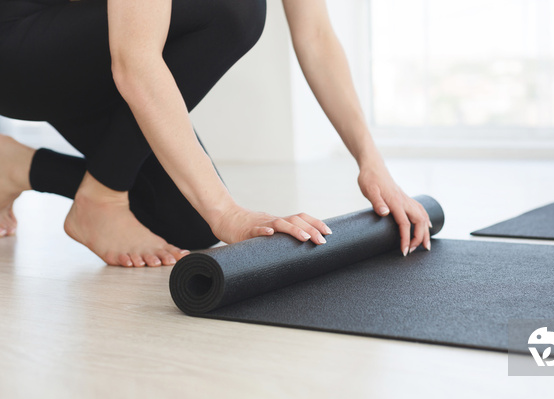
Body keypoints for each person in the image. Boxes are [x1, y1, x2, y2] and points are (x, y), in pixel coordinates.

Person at [0, 0, 431, 267]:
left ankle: (17, 168)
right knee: (235, 6)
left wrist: (371, 161)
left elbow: (316, 36)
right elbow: (134, 62)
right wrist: (229, 212)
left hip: (86, 57)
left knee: (185, 221)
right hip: (17, 44)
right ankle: (100, 199)